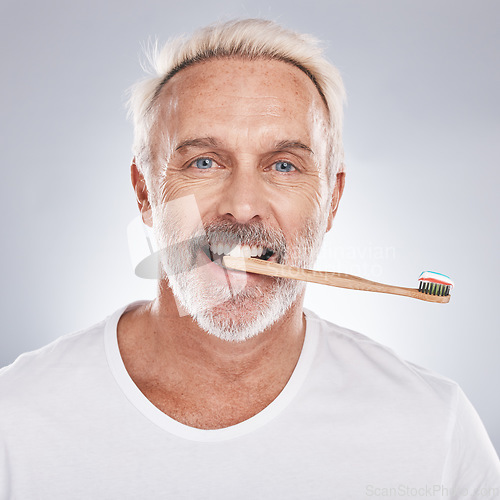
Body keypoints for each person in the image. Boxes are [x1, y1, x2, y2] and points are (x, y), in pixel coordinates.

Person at [1, 18, 499, 499]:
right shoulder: (16, 419)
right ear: (145, 194)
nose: (242, 206)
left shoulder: (435, 427)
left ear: (333, 201)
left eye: (284, 165)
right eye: (204, 161)